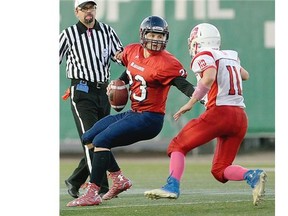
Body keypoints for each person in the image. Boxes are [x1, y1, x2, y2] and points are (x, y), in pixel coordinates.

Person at [66, 15, 198, 207]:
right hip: (134, 113)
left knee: (102, 141)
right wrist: (118, 84)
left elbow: (184, 85)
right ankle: (119, 179)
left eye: (160, 36)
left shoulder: (167, 62)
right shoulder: (132, 51)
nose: (156, 39)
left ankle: (93, 192)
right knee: (89, 136)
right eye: (152, 34)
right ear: (143, 35)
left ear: (165, 38)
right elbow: (130, 73)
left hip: (150, 118)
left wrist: (201, 98)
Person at [144, 23, 267, 206]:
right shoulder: (230, 55)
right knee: (220, 169)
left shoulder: (205, 55)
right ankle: (252, 175)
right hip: (240, 117)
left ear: (197, 42)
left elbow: (209, 76)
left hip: (220, 113)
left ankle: (172, 186)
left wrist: (190, 102)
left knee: (177, 145)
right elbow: (245, 75)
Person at [59, 0, 124, 198]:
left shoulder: (107, 31)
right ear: (76, 11)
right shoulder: (68, 34)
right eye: (84, 8)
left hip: (104, 92)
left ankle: (76, 180)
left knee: (102, 140)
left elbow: (119, 55)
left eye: (92, 8)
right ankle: (99, 187)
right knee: (90, 138)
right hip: (81, 90)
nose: (89, 12)